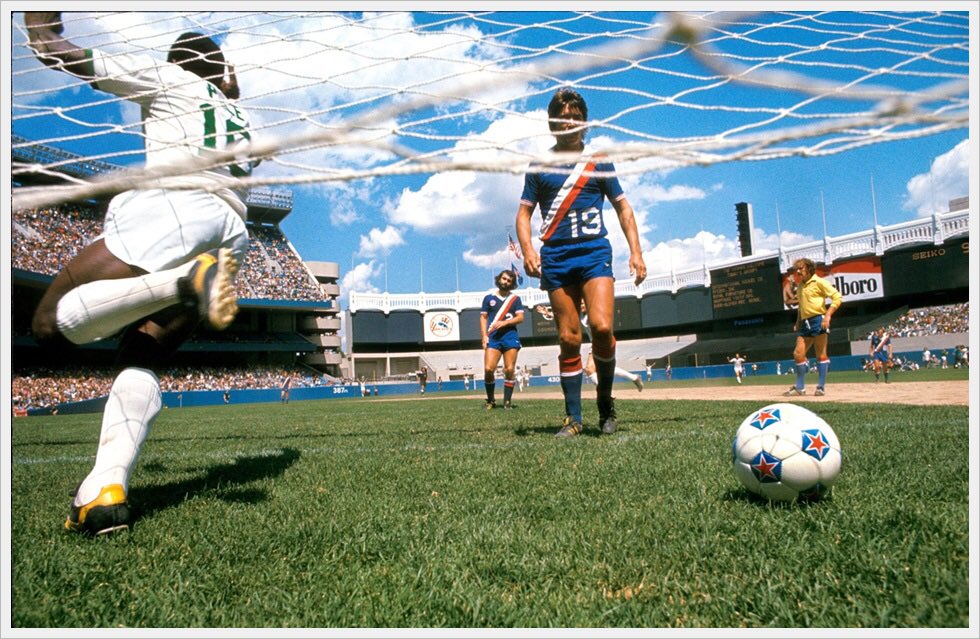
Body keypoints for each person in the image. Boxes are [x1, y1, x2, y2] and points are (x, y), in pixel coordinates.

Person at [24, 13, 256, 536]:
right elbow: (224, 91)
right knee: (142, 352)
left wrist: (40, 24)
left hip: (175, 208)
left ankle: (178, 281)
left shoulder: (171, 78)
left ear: (181, 64)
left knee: (47, 323)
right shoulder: (238, 116)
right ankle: (106, 487)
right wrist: (228, 80)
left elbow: (58, 52)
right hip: (231, 234)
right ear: (222, 71)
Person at [516, 88, 647, 437]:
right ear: (551, 123)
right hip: (557, 257)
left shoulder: (598, 160)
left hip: (593, 254)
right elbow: (523, 214)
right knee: (569, 337)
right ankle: (573, 417)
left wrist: (636, 251)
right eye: (562, 116)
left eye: (575, 116)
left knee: (602, 328)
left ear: (584, 122)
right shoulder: (540, 166)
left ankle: (606, 406)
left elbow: (623, 207)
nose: (568, 122)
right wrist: (528, 249)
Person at [783, 258, 842, 397]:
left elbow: (837, 297)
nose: (798, 271)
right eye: (796, 269)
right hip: (805, 322)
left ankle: (820, 387)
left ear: (809, 268)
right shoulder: (801, 286)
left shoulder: (819, 282)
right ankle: (800, 388)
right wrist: (798, 321)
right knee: (798, 353)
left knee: (820, 354)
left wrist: (828, 316)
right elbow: (801, 306)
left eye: (800, 268)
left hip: (818, 320)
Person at [480, 270, 525, 409]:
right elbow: (483, 317)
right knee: (488, 369)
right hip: (493, 338)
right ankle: (491, 400)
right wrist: (484, 336)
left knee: (509, 369)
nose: (505, 282)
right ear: (499, 279)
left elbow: (520, 318)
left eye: (508, 281)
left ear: (512, 284)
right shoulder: (489, 298)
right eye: (503, 279)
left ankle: (507, 401)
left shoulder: (515, 299)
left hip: (510, 337)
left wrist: (504, 323)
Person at [580, 301, 643, 392]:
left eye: (583, 303)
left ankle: (604, 392)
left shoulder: (594, 312)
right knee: (600, 369)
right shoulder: (581, 314)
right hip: (595, 343)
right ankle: (634, 377)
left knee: (591, 369)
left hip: (604, 341)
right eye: (580, 303)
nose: (581, 305)